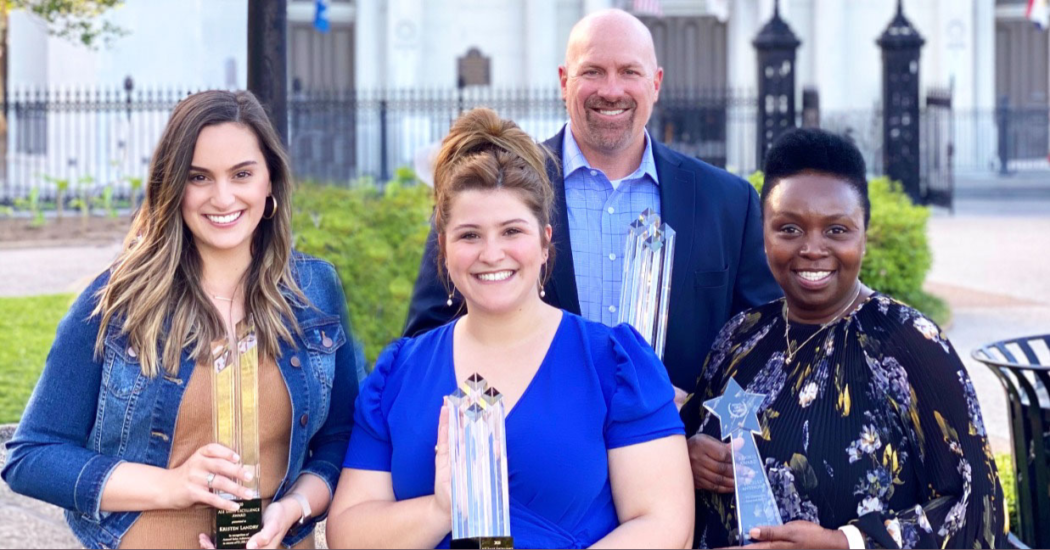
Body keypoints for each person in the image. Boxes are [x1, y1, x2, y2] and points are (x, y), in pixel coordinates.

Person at [2, 90, 360, 549]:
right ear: (173, 185)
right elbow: (31, 456)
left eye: (242, 174)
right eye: (199, 177)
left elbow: (342, 438)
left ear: (270, 181)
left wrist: (292, 510)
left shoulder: (315, 290)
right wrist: (172, 485)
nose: (223, 196)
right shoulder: (117, 303)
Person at [325, 108, 693, 549]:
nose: (492, 253)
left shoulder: (614, 366)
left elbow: (665, 524)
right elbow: (349, 533)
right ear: (443, 249)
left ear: (544, 242)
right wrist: (440, 510)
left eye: (511, 231)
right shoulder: (400, 373)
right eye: (469, 236)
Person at [404, 9, 781, 399]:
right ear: (564, 81)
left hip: (680, 454)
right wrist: (503, 416)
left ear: (656, 83)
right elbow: (429, 338)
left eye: (630, 72)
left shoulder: (728, 203)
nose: (612, 90)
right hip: (531, 454)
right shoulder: (495, 189)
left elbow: (762, 345)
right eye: (593, 71)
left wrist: (706, 426)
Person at [680, 128, 1008, 549]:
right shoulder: (739, 339)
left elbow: (979, 507)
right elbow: (670, 451)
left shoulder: (911, 345)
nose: (812, 248)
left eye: (836, 230)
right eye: (789, 229)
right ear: (765, 235)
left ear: (864, 237)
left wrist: (845, 543)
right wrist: (686, 455)